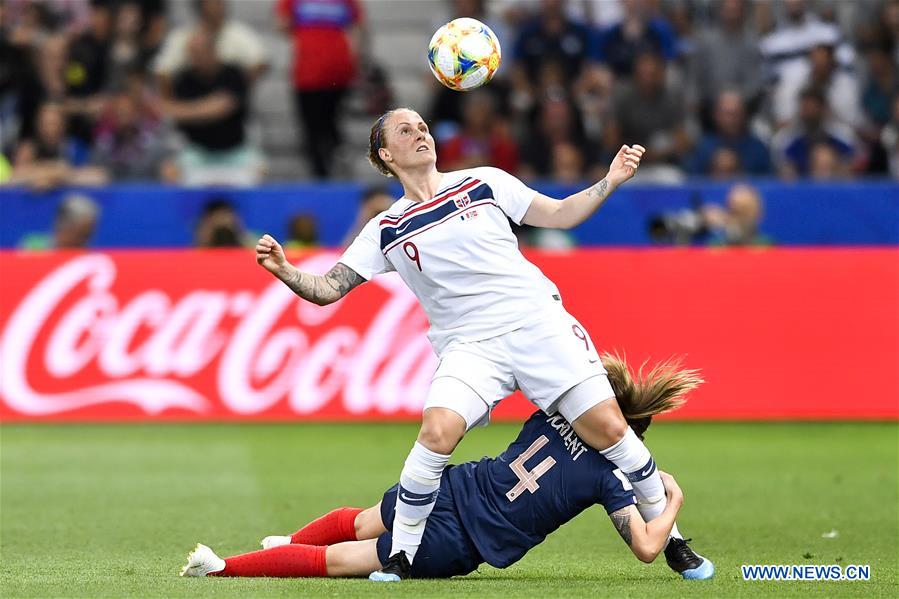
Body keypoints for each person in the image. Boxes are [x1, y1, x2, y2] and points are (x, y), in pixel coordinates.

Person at [252, 106, 711, 582]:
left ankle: (674, 543)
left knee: (612, 431)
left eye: (423, 127)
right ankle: (401, 556)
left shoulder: (484, 182)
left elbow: (557, 214)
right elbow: (328, 289)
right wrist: (287, 271)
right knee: (436, 433)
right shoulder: (385, 228)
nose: (420, 134)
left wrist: (610, 180)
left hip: (537, 325)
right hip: (470, 346)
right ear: (385, 154)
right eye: (405, 131)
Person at [181, 354, 713, 580]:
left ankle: (282, 542)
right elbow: (646, 547)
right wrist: (674, 502)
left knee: (364, 519)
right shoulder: (611, 476)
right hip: (465, 538)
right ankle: (226, 567)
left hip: (454, 485)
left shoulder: (555, 411)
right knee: (347, 560)